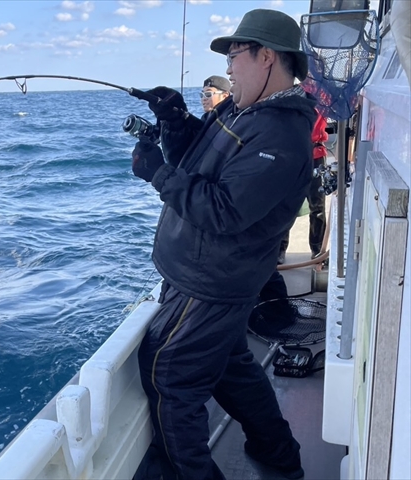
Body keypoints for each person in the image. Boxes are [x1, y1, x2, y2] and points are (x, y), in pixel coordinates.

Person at [130, 9, 317, 480]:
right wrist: (175, 120)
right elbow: (200, 160)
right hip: (205, 273)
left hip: (212, 281)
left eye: (235, 56)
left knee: (169, 376)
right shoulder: (243, 109)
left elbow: (225, 211)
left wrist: (157, 174)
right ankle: (278, 455)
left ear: (266, 57)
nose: (228, 68)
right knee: (232, 366)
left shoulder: (280, 134)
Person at [278, 106, 328, 263]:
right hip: (294, 155)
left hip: (316, 155)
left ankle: (317, 249)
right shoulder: (293, 98)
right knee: (285, 204)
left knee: (317, 206)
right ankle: (280, 249)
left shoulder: (324, 98)